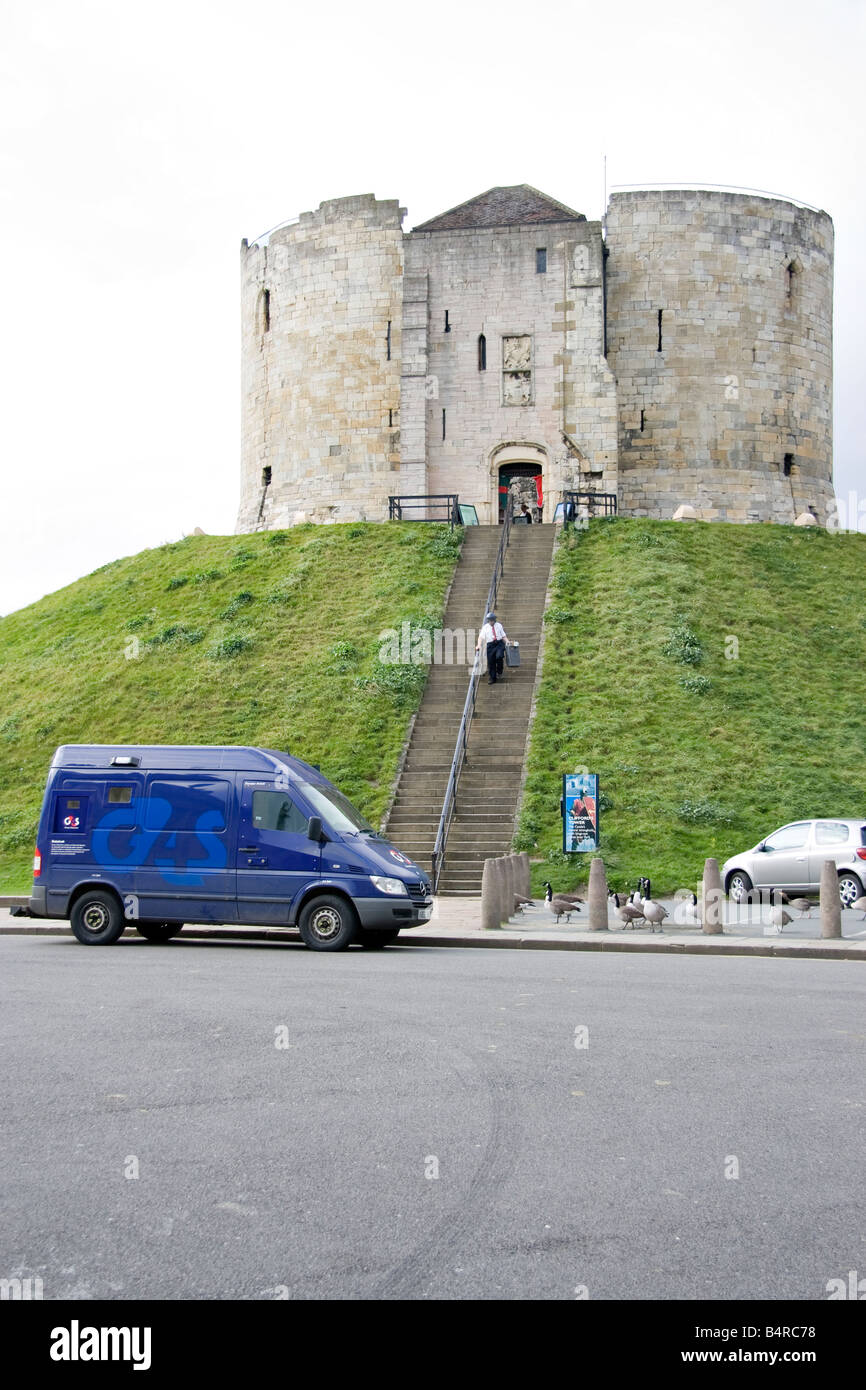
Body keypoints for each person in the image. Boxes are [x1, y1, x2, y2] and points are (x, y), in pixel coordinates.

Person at [476, 611, 508, 684]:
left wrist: (507, 642)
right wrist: (478, 645)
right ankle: (492, 678)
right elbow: (480, 637)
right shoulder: (485, 627)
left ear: (495, 620)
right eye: (490, 620)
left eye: (492, 620)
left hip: (499, 643)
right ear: (488, 620)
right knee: (491, 662)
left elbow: (503, 636)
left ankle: (499, 671)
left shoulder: (499, 625)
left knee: (499, 656)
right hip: (490, 645)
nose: (491, 622)